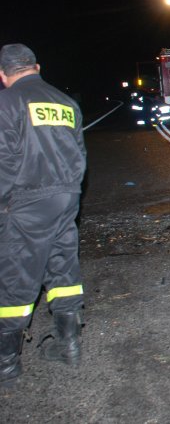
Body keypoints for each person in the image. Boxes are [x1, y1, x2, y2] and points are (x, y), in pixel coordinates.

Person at [0, 44, 87, 385]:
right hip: (66, 197)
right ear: (36, 67)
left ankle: (6, 362)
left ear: (3, 74)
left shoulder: (7, 103)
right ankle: (69, 345)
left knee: (16, 277)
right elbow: (79, 154)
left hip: (26, 202)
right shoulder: (65, 102)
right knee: (62, 265)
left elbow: (4, 162)